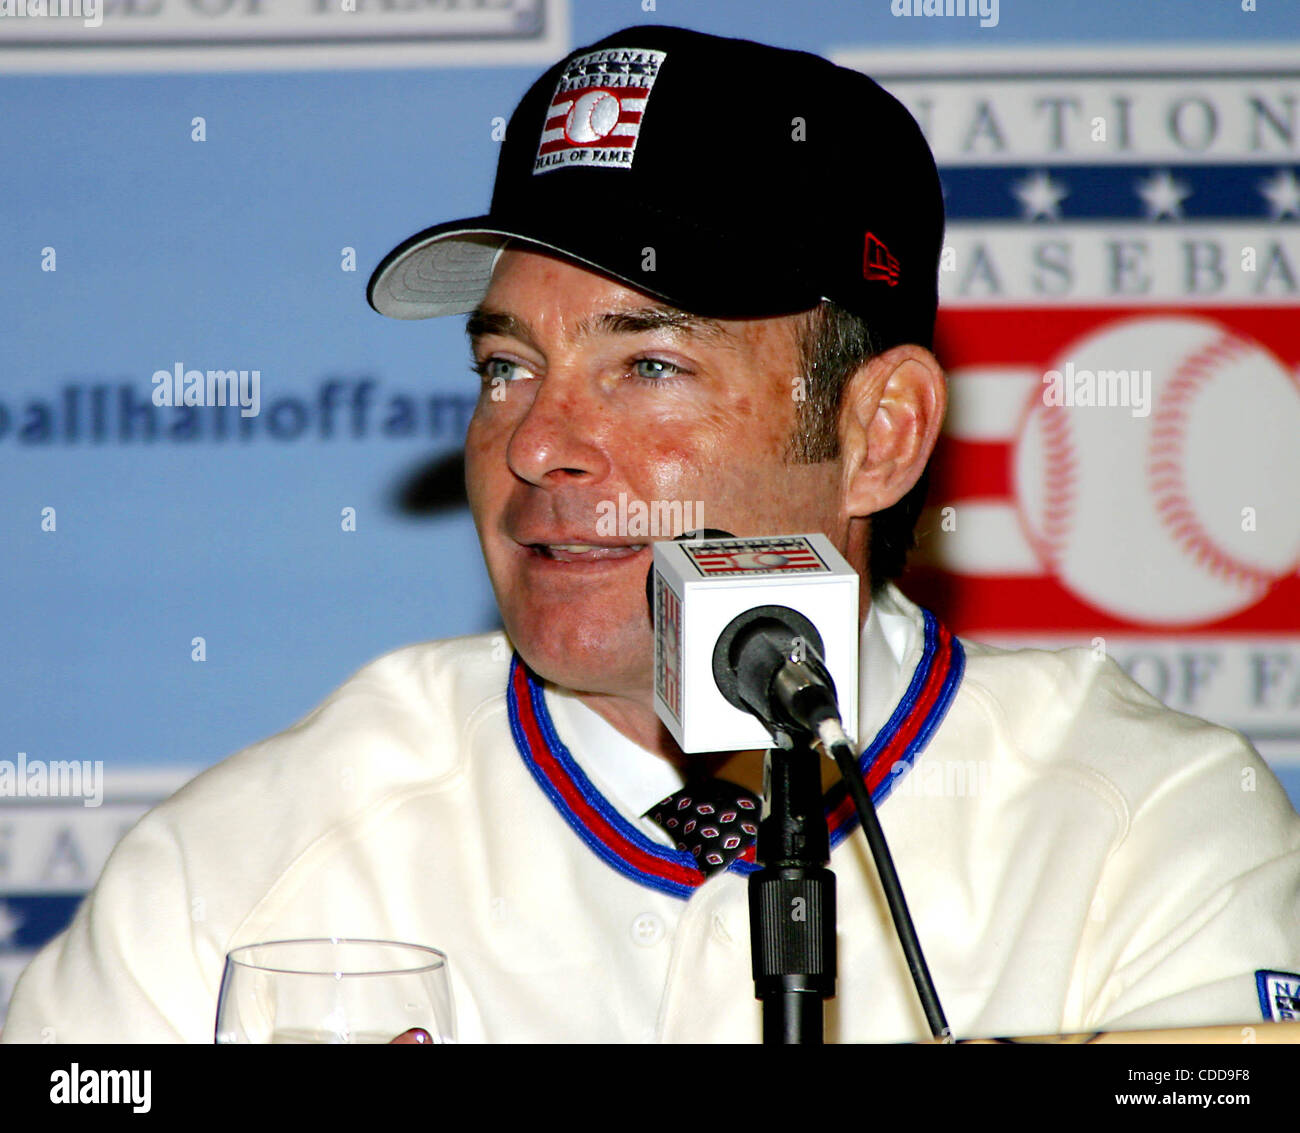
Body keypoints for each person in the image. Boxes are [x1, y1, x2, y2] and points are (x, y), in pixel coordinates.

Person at [4, 24, 1298, 1044]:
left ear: (881, 431)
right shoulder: (238, 865)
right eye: (506, 365)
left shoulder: (1144, 829)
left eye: (649, 363)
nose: (534, 442)